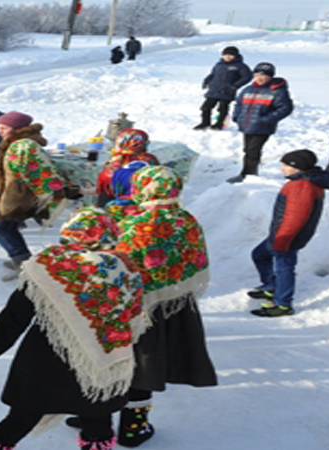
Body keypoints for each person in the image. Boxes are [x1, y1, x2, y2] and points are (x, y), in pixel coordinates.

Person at [0, 207, 146, 450]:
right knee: (98, 421)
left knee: (18, 421)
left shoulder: (47, 268)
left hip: (44, 362)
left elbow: (9, 326)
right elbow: (132, 319)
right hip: (102, 362)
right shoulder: (126, 269)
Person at [109, 165, 217, 446]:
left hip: (128, 309)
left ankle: (92, 414)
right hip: (173, 307)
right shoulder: (187, 220)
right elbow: (196, 259)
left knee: (111, 359)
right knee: (147, 367)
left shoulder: (133, 223)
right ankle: (133, 429)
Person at [0, 111, 78, 281]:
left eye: (4, 128)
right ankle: (22, 259)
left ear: (17, 128)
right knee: (7, 229)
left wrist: (58, 192)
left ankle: (23, 263)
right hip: (14, 196)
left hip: (19, 198)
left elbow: (42, 172)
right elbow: (0, 170)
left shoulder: (24, 146)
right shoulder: (13, 144)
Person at [247, 150, 329, 317]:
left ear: (296, 167)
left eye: (284, 165)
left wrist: (282, 241)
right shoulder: (302, 182)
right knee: (259, 255)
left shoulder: (302, 187)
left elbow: (295, 218)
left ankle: (283, 304)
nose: (281, 169)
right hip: (281, 234)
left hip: (287, 237)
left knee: (284, 268)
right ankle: (271, 286)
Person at [227, 62, 294, 184]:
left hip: (262, 127)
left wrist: (267, 119)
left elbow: (285, 108)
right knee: (247, 150)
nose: (260, 78)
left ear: (271, 76)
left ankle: (248, 174)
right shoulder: (248, 89)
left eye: (264, 75)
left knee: (253, 150)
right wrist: (237, 117)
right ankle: (247, 173)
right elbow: (239, 104)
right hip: (247, 125)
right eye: (257, 74)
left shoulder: (277, 91)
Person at [94, 128, 159, 207]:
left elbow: (108, 180)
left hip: (121, 201)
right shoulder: (151, 158)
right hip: (147, 199)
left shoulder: (119, 158)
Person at [194, 46, 253, 130]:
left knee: (223, 109)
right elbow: (212, 74)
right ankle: (205, 123)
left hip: (227, 91)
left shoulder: (240, 66)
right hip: (214, 90)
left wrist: (235, 86)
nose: (228, 57)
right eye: (225, 55)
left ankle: (221, 124)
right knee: (206, 107)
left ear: (236, 56)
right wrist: (206, 81)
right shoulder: (219, 64)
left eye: (231, 55)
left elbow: (247, 77)